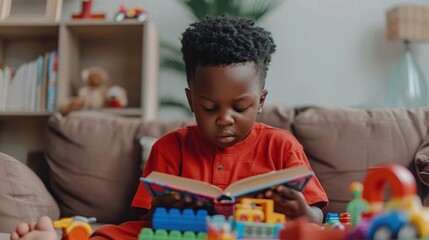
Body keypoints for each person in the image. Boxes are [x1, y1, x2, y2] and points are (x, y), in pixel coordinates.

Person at [10, 14, 328, 240]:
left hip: (258, 233)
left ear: (260, 101)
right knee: (120, 233)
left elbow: (318, 216)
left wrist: (305, 213)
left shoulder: (282, 145)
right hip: (183, 233)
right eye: (209, 107)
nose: (225, 118)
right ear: (191, 101)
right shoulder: (168, 147)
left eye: (240, 107)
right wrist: (163, 206)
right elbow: (146, 220)